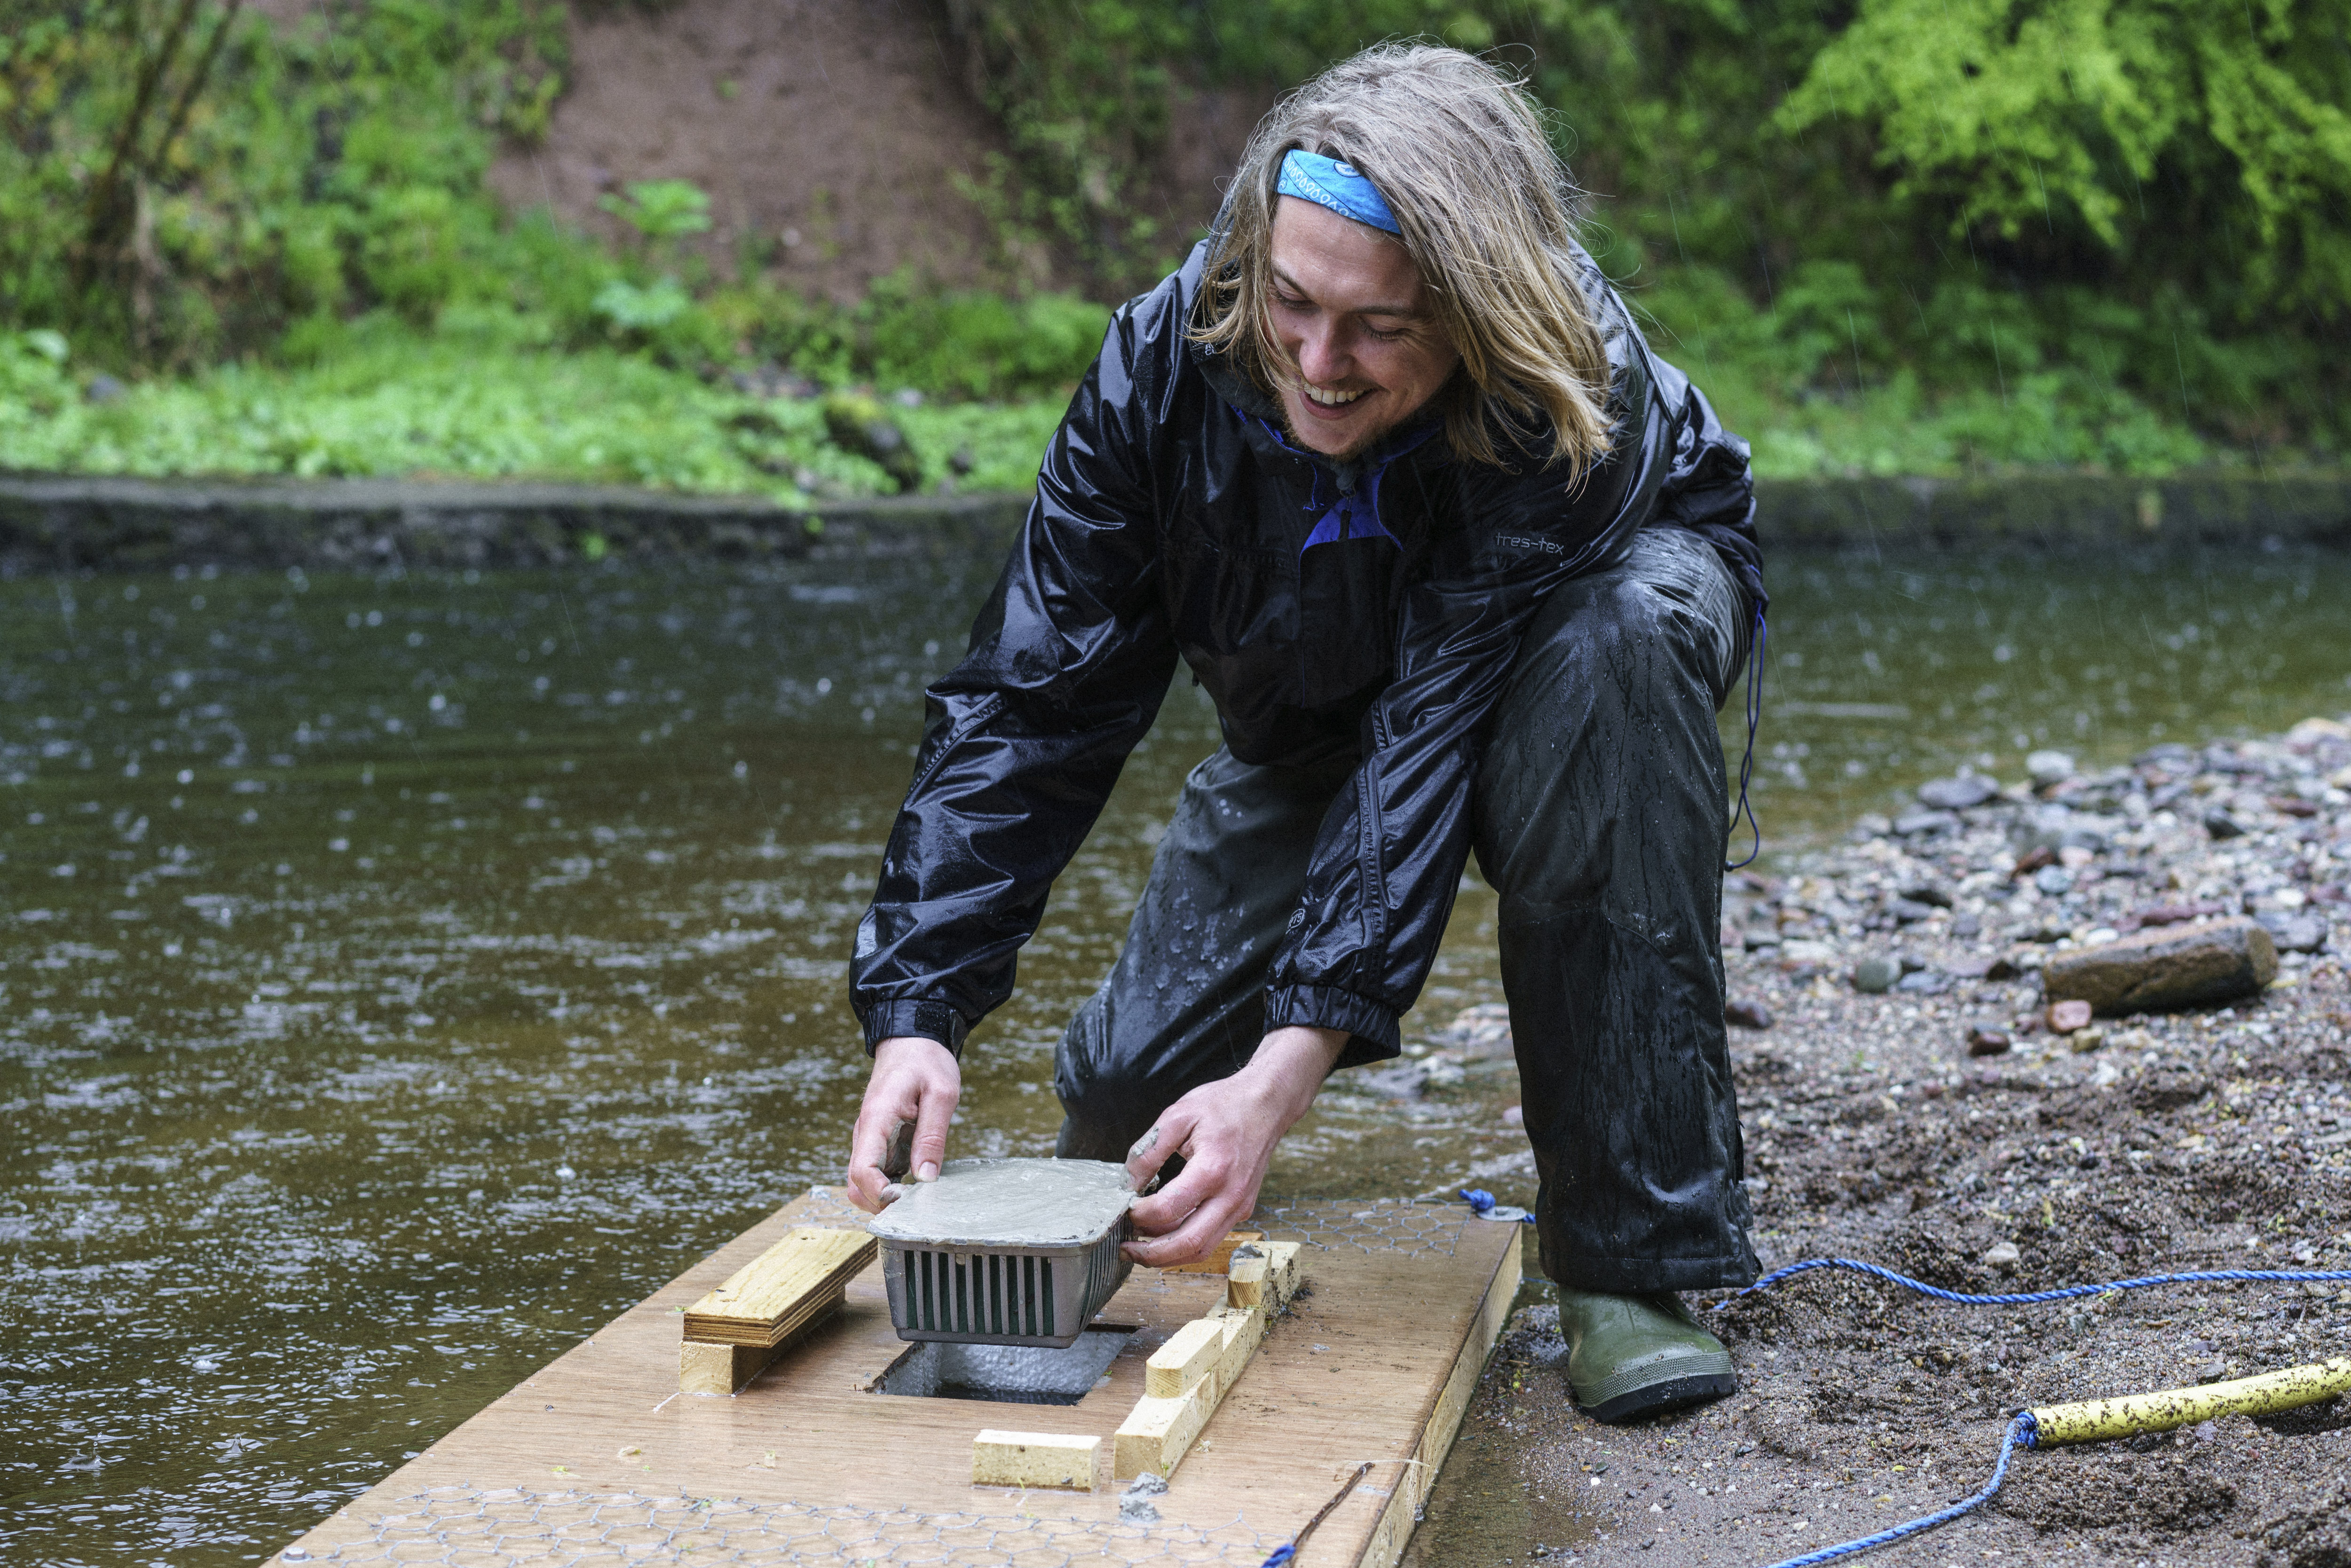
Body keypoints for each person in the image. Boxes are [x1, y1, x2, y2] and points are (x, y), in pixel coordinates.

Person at [843, 43, 1764, 1423]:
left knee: (1612, 655)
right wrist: (920, 1004)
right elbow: (1033, 694)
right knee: (1125, 1117)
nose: (1321, 365)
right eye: (1293, 304)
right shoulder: (1160, 365)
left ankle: (1630, 1262)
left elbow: (1435, 732)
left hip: (1567, 661)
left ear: (1479, 313)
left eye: (1382, 329)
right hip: (1318, 698)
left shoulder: (1570, 393)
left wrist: (1285, 1072)